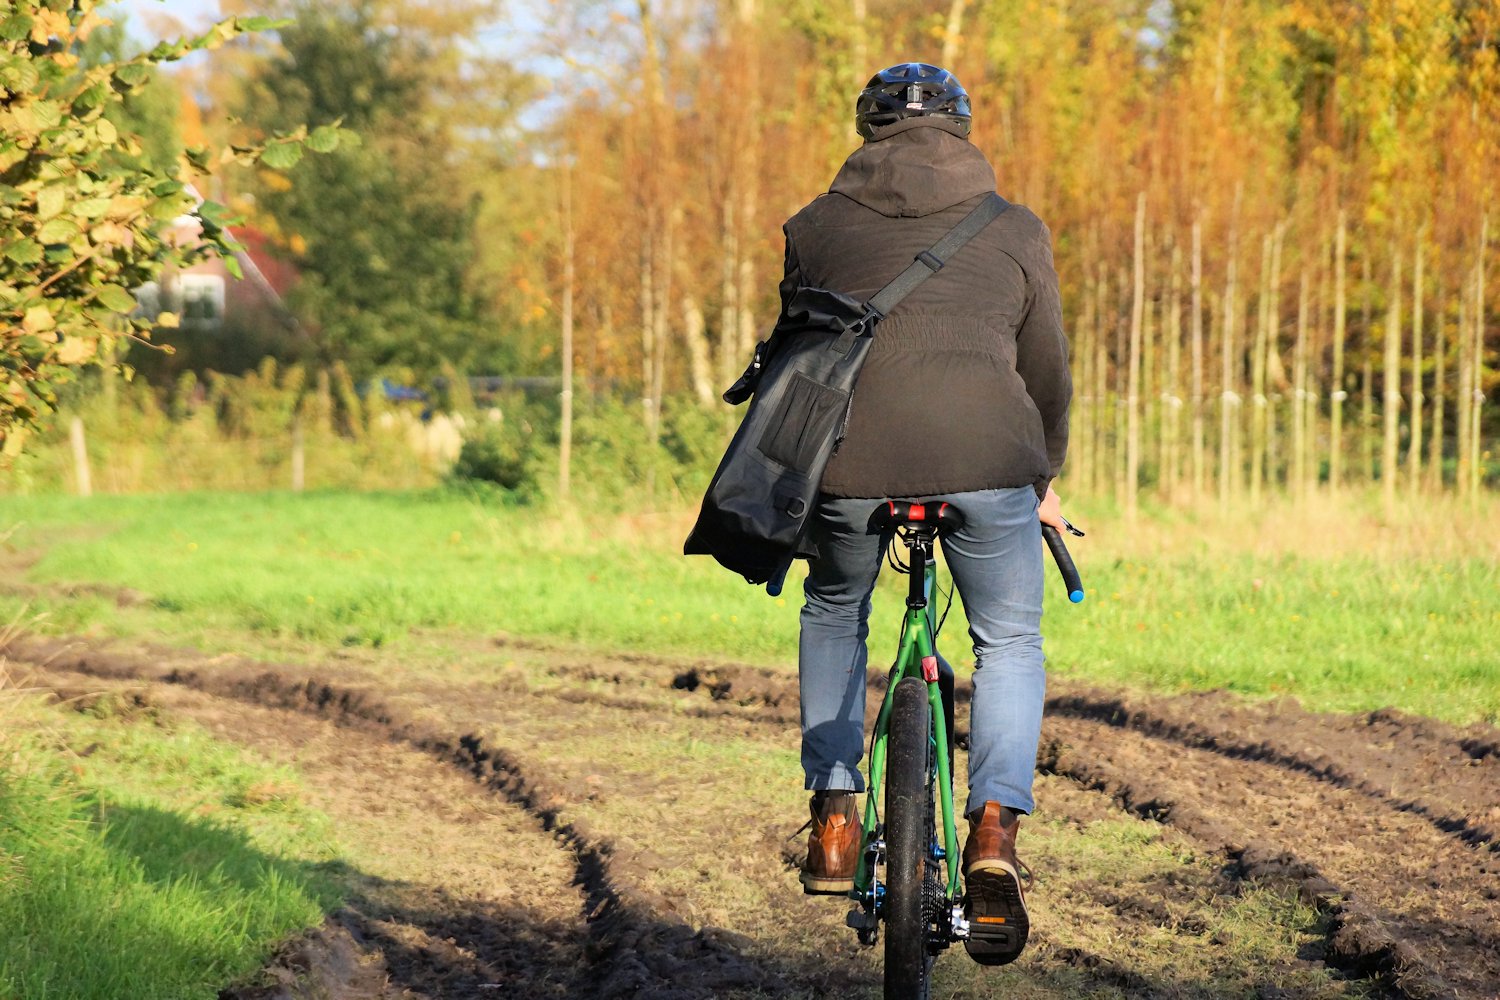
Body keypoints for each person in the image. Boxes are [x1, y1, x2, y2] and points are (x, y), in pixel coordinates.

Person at [788, 63, 1071, 967]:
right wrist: (1043, 477)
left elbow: (802, 356)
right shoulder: (1015, 227)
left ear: (866, 130)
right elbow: (1047, 370)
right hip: (991, 464)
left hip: (849, 463)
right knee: (1010, 641)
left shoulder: (815, 227)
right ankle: (993, 833)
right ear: (962, 128)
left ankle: (835, 818)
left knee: (835, 608)